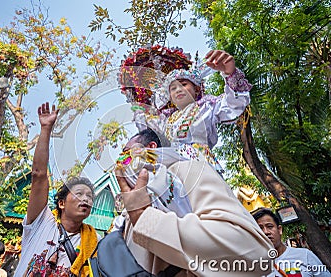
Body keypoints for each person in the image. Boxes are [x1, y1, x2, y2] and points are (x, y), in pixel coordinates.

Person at [114, 128, 274, 276]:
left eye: (127, 154)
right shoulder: (129, 211)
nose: (121, 163)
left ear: (150, 148)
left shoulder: (189, 172)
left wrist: (144, 219)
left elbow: (257, 253)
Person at [14, 102, 99, 277]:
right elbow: (38, 175)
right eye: (79, 194)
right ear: (61, 203)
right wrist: (45, 129)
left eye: (89, 196)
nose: (86, 199)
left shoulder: (92, 243)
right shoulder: (41, 222)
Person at [134, 49, 251, 173]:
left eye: (184, 84)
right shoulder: (167, 120)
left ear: (196, 89)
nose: (178, 90)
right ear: (170, 97)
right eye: (173, 88)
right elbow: (147, 127)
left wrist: (230, 74)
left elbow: (234, 104)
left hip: (200, 165)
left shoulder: (207, 106)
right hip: (175, 171)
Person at [253, 208, 331, 277]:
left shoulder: (305, 255)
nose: (266, 232)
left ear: (279, 229)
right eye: (260, 229)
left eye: (270, 226)